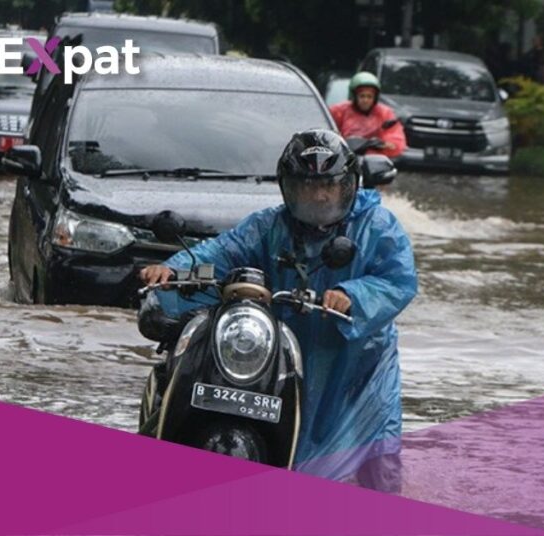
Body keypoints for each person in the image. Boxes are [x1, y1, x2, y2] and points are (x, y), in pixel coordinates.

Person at [140, 129, 418, 492]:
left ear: (348, 185)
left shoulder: (378, 226)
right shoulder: (269, 226)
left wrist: (352, 295)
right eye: (307, 186)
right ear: (289, 188)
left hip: (357, 366)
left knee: (377, 469)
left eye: (328, 186)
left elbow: (399, 280)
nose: (319, 195)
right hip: (283, 352)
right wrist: (173, 271)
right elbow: (220, 254)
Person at [329, 72, 407, 159]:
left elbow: (395, 141)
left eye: (369, 97)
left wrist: (379, 145)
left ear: (375, 98)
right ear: (354, 96)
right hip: (345, 157)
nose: (365, 100)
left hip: (373, 160)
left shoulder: (385, 113)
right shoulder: (338, 111)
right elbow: (328, 133)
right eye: (362, 96)